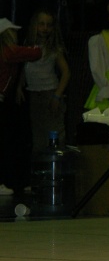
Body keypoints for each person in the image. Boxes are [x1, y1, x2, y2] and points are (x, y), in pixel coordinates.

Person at [19, 8, 70, 158]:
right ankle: (40, 167)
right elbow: (25, 68)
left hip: (50, 93)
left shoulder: (54, 48)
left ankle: (57, 165)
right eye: (41, 24)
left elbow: (66, 72)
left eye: (49, 25)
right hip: (34, 94)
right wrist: (19, 86)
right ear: (34, 25)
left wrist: (57, 96)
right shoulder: (27, 45)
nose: (45, 28)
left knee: (55, 133)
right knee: (38, 135)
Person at [0, 18, 42, 195]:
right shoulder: (9, 51)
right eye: (13, 31)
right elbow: (36, 53)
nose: (16, 33)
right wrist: (36, 44)